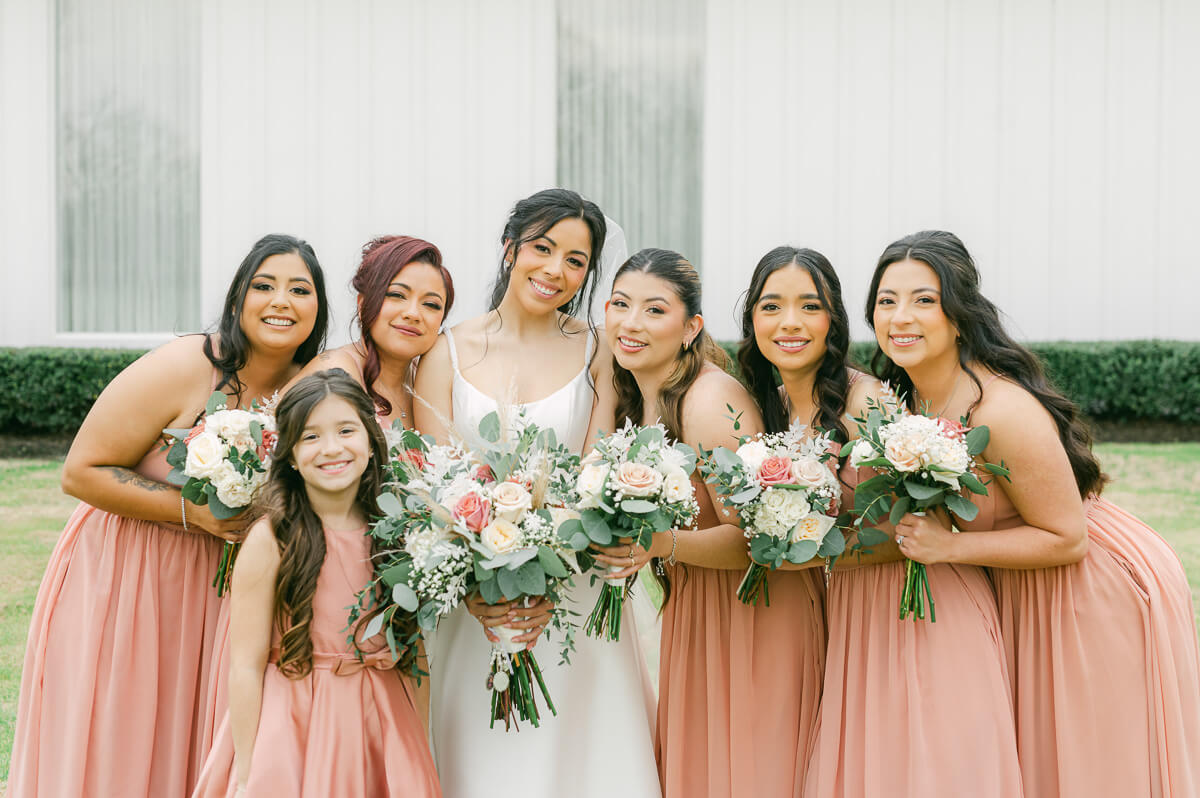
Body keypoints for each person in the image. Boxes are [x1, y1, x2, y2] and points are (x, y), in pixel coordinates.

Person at [870, 229, 1200, 797]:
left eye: (924, 299)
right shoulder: (906, 398)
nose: (901, 316)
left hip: (1078, 593)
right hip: (1015, 589)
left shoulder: (1003, 408)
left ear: (959, 313)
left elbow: (1067, 537)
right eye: (886, 300)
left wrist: (950, 548)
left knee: (1083, 767)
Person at [9, 234, 329, 797]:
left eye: (299, 289)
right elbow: (80, 471)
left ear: (317, 311)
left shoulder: (306, 389)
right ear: (237, 301)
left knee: (191, 747)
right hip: (128, 579)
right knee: (121, 742)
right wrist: (192, 513)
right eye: (264, 286)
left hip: (218, 594)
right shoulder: (188, 364)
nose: (281, 300)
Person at [413, 189, 660, 798]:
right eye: (543, 249)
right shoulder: (446, 349)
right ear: (509, 249)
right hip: (476, 601)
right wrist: (482, 582)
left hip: (574, 588)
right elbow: (437, 484)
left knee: (583, 757)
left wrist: (547, 561)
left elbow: (596, 473)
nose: (555, 270)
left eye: (575, 261)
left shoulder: (596, 350)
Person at [196, 234, 455, 759]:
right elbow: (283, 481)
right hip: (313, 603)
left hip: (381, 595)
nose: (414, 314)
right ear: (364, 302)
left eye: (432, 305)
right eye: (398, 295)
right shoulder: (333, 376)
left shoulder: (423, 383)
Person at [596, 248, 791, 797]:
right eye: (620, 304)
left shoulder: (708, 401)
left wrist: (657, 543)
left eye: (654, 310)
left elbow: (756, 539)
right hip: (697, 607)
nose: (631, 323)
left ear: (691, 327)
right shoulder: (640, 394)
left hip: (748, 614)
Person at [192, 369, 440, 797]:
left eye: (346, 430)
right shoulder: (271, 539)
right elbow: (246, 665)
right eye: (310, 437)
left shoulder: (396, 532)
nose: (332, 449)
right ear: (289, 453)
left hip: (381, 719)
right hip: (295, 719)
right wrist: (248, 770)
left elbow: (411, 652)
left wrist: (417, 740)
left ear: (370, 440)